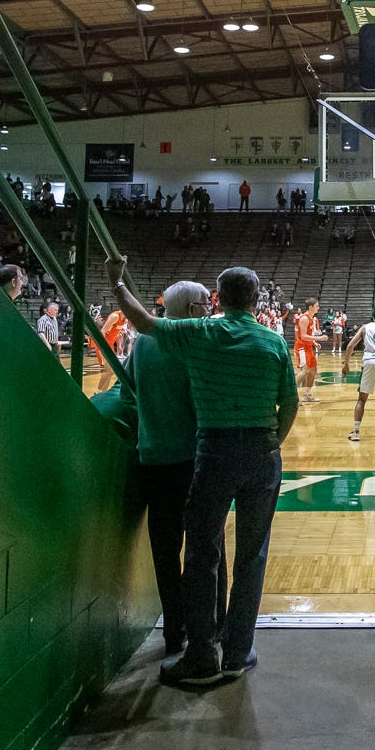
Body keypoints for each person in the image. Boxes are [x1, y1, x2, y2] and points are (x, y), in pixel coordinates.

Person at [107, 256, 296, 687]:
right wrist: (270, 444)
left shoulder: (202, 333)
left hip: (213, 452)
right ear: (254, 299)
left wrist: (118, 285)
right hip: (263, 453)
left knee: (201, 552)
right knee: (251, 556)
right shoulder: (273, 343)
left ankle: (199, 655)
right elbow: (291, 405)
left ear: (218, 298)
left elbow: (145, 323)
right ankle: (237, 651)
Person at [127, 281, 212, 658]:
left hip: (152, 457)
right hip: (191, 459)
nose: (209, 309)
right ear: (192, 310)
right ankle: (208, 630)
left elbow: (128, 386)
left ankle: (173, 632)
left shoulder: (142, 343)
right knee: (205, 549)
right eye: (205, 304)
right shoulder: (193, 343)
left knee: (165, 550)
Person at [341, 315, 375, 442]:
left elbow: (350, 345)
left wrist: (346, 364)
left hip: (369, 362)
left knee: (361, 400)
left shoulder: (365, 328)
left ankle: (356, 432)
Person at [295, 298, 323, 404]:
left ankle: (307, 395)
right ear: (311, 307)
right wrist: (319, 338)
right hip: (302, 347)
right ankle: (291, 396)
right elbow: (303, 336)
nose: (318, 308)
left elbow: (309, 334)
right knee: (304, 371)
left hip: (308, 347)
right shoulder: (304, 318)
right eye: (317, 306)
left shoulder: (312, 318)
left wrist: (314, 343)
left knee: (313, 370)